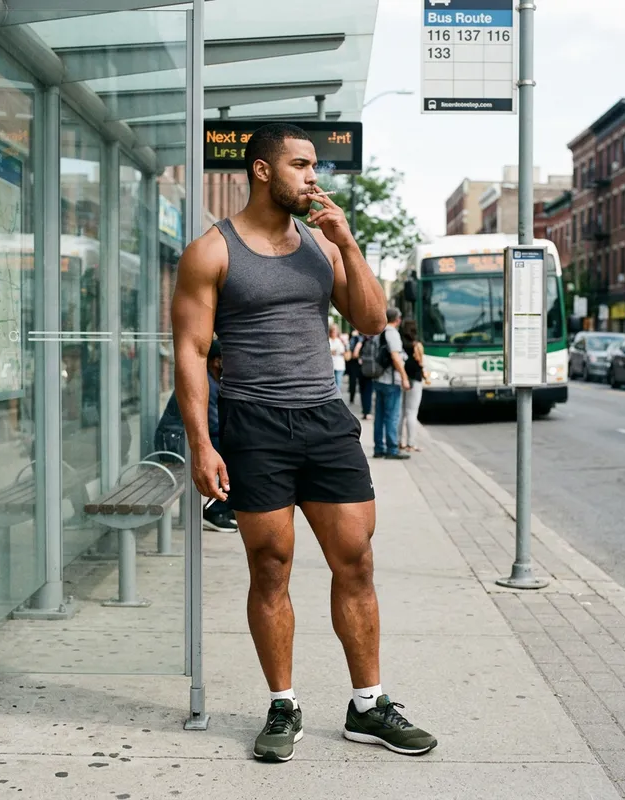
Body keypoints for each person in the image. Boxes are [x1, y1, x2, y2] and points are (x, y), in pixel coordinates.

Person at [172, 122, 436, 763]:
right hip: (255, 425)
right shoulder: (212, 251)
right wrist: (202, 445)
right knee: (271, 567)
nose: (314, 176)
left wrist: (345, 240)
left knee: (357, 561)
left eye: (315, 165)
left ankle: (368, 705)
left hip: (324, 421)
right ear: (263, 171)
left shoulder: (321, 244)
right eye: (300, 164)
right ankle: (283, 703)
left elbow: (371, 319)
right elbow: (190, 351)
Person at [155, 341, 237, 533]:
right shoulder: (204, 383)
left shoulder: (213, 380)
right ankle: (214, 510)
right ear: (217, 362)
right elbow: (215, 425)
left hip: (179, 439)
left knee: (239, 453)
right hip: (174, 443)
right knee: (235, 456)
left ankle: (225, 505)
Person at [373, 307, 411, 461]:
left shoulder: (378, 332)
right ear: (398, 319)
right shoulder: (393, 334)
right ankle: (392, 449)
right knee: (392, 416)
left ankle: (378, 448)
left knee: (380, 416)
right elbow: (396, 358)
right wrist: (404, 377)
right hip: (390, 380)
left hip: (378, 379)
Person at [398, 319, 430, 453]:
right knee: (412, 412)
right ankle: (411, 443)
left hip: (402, 379)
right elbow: (420, 363)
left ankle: (399, 441)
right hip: (415, 380)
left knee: (402, 412)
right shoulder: (416, 345)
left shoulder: (400, 344)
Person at [354, 334, 374, 419]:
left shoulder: (361, 341)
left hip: (361, 369)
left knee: (362, 391)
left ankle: (364, 411)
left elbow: (355, 354)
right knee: (368, 391)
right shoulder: (373, 342)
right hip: (369, 370)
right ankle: (367, 411)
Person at [346, 328, 362, 404]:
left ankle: (352, 398)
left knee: (353, 381)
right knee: (353, 381)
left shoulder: (354, 337)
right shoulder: (356, 337)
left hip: (355, 362)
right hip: (355, 362)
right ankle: (352, 398)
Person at [329, 323, 346, 391]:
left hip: (339, 366)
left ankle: (337, 399)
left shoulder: (340, 340)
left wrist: (333, 351)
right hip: (330, 366)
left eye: (335, 330)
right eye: (333, 330)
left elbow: (343, 352)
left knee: (338, 382)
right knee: (331, 384)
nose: (334, 332)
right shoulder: (328, 340)